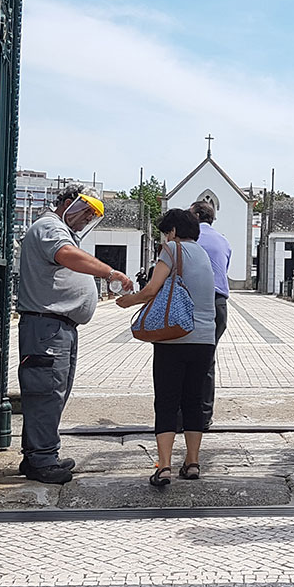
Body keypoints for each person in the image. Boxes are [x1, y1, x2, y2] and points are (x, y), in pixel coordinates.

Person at [16, 185, 133, 484]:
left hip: (58, 325)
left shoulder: (62, 230)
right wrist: (109, 273)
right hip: (47, 325)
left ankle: (38, 454)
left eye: (91, 215)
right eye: (84, 211)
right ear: (68, 203)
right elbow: (66, 255)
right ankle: (42, 460)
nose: (85, 219)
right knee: (46, 391)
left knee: (54, 392)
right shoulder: (49, 227)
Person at [117, 208, 217, 486]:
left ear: (172, 231)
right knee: (193, 401)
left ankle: (164, 467)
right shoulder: (203, 254)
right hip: (204, 339)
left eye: (165, 233)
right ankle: (193, 463)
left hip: (174, 338)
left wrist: (129, 301)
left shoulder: (172, 249)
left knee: (167, 401)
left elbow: (151, 289)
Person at [189, 201, 231, 429]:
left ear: (195, 215)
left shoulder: (190, 238)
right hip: (219, 304)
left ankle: (181, 416)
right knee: (207, 360)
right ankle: (204, 416)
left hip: (195, 301)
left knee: (183, 358)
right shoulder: (223, 240)